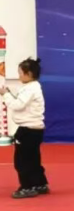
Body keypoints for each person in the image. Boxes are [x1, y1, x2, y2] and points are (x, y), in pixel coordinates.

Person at [0, 58, 49, 199]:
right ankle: (40, 184)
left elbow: (17, 105)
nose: (19, 76)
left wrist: (5, 95)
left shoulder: (30, 89)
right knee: (33, 158)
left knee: (22, 161)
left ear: (29, 74)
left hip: (28, 130)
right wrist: (9, 94)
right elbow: (20, 102)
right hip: (34, 130)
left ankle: (27, 187)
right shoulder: (33, 87)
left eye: (20, 73)